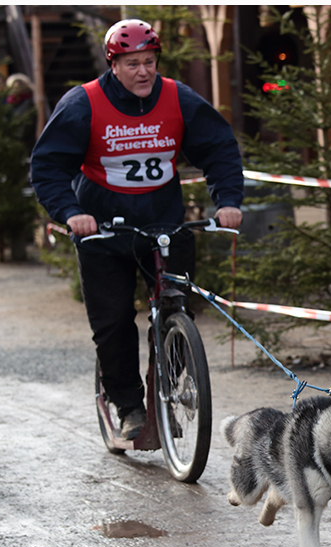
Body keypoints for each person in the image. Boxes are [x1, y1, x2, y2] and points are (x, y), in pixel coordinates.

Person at [31, 19, 244, 440]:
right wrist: (71, 212)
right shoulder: (83, 104)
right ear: (114, 65)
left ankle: (168, 379)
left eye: (149, 62)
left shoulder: (178, 98)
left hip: (162, 225)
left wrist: (228, 202)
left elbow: (219, 149)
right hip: (103, 232)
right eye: (132, 64)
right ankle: (128, 405)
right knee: (113, 322)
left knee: (176, 309)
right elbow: (47, 166)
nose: (143, 71)